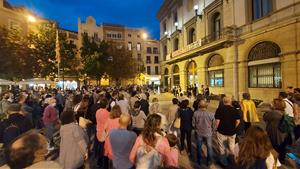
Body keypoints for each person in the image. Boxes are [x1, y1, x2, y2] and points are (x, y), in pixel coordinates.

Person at [215, 96, 240, 166]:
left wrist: (216, 129)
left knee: (222, 147)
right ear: (230, 102)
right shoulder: (235, 110)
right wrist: (233, 127)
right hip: (232, 132)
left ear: (223, 102)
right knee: (232, 147)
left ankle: (224, 163)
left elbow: (217, 121)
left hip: (221, 131)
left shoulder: (219, 109)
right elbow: (238, 121)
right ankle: (233, 161)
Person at [263, 98, 288, 163]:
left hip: (275, 134)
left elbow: (265, 117)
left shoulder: (274, 113)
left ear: (276, 105)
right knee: (282, 147)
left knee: (275, 148)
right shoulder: (283, 112)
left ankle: (276, 161)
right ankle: (282, 159)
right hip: (282, 134)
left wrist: (270, 109)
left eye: (273, 103)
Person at [192, 100, 214, 166]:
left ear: (199, 105)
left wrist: (196, 128)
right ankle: (209, 161)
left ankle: (199, 161)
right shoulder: (211, 114)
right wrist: (212, 130)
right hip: (208, 132)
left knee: (199, 147)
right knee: (209, 147)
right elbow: (214, 124)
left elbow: (193, 124)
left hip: (199, 132)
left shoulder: (195, 113)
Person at [95, 98, 110, 168]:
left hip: (98, 131)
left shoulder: (97, 111)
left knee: (100, 148)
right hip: (104, 133)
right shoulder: (108, 113)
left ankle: (99, 162)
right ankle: (103, 164)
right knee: (104, 150)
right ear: (106, 105)